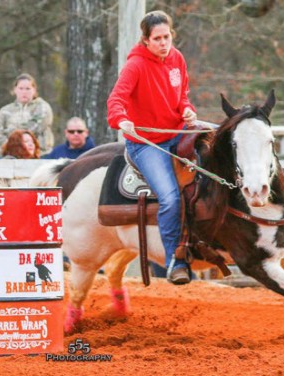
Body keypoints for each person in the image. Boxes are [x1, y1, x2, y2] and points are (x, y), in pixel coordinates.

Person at [106, 10, 197, 285]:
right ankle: (174, 261)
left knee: (211, 166)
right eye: (157, 38)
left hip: (176, 132)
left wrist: (188, 110)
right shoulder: (135, 65)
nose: (163, 43)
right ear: (145, 40)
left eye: (166, 37)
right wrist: (122, 121)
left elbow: (182, 97)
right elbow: (115, 101)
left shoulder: (176, 58)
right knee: (169, 197)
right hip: (146, 143)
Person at [0, 73, 54, 156]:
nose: (24, 92)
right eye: (21, 88)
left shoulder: (42, 107)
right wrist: (10, 148)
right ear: (15, 90)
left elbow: (34, 127)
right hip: (9, 155)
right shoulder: (4, 111)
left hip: (39, 155)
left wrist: (13, 136)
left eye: (28, 89)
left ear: (34, 90)